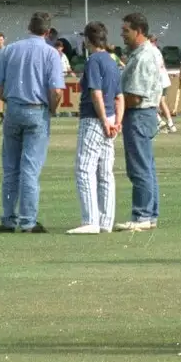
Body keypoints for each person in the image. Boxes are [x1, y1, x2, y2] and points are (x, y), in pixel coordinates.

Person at [0, 15, 64, 231]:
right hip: (37, 110)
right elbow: (56, 91)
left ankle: (7, 219)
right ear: (48, 32)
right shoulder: (51, 53)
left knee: (10, 169)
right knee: (30, 169)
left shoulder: (10, 50)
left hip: (13, 108)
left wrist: (8, 99)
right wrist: (52, 108)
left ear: (28, 27)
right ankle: (28, 221)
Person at [118, 12, 168, 231]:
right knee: (146, 166)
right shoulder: (151, 52)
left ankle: (142, 215)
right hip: (147, 113)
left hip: (139, 113)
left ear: (138, 31)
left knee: (139, 167)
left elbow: (135, 95)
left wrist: (115, 106)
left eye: (126, 31)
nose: (123, 35)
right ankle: (150, 214)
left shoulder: (143, 56)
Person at [68, 22, 120, 235]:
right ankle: (106, 221)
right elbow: (120, 96)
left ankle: (90, 220)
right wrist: (117, 122)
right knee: (105, 171)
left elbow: (96, 93)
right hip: (111, 117)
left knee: (85, 168)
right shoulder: (112, 60)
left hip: (94, 118)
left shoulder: (93, 61)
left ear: (88, 40)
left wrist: (104, 121)